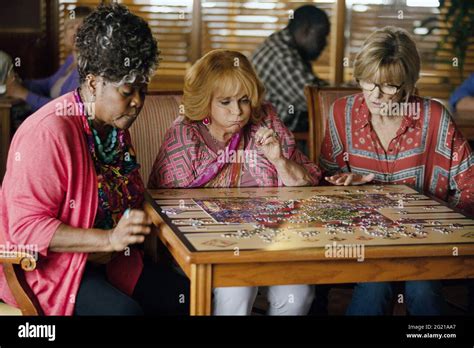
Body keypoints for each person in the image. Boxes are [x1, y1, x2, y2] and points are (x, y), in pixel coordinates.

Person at [0, 3, 189, 316]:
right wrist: (108, 239)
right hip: (53, 270)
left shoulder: (112, 125)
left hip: (111, 260)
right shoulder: (48, 132)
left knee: (189, 299)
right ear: (92, 83)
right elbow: (26, 230)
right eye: (128, 91)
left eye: (144, 88)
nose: (138, 102)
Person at [149, 49, 321, 315]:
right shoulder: (185, 134)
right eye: (225, 102)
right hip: (205, 246)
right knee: (238, 287)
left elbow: (304, 184)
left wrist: (279, 161)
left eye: (243, 100)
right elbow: (167, 207)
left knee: (298, 292)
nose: (238, 111)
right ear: (206, 101)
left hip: (268, 242)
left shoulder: (265, 119)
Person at [320, 26, 474, 315]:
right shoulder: (342, 113)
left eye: (389, 86)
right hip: (365, 241)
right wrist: (345, 187)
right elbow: (322, 188)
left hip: (427, 241)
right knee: (376, 281)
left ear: (408, 85)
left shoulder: (435, 117)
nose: (375, 95)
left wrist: (444, 229)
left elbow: (470, 186)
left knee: (422, 288)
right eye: (368, 82)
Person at [251, 5, 330, 134]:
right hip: (271, 140)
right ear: (306, 30)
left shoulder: (283, 45)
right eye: (322, 36)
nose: (325, 43)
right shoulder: (281, 55)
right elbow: (317, 99)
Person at [5, 6, 92, 112]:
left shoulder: (87, 67)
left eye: (82, 27)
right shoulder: (70, 61)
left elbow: (66, 108)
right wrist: (20, 82)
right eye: (71, 27)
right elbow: (48, 84)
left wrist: (24, 94)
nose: (76, 32)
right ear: (64, 34)